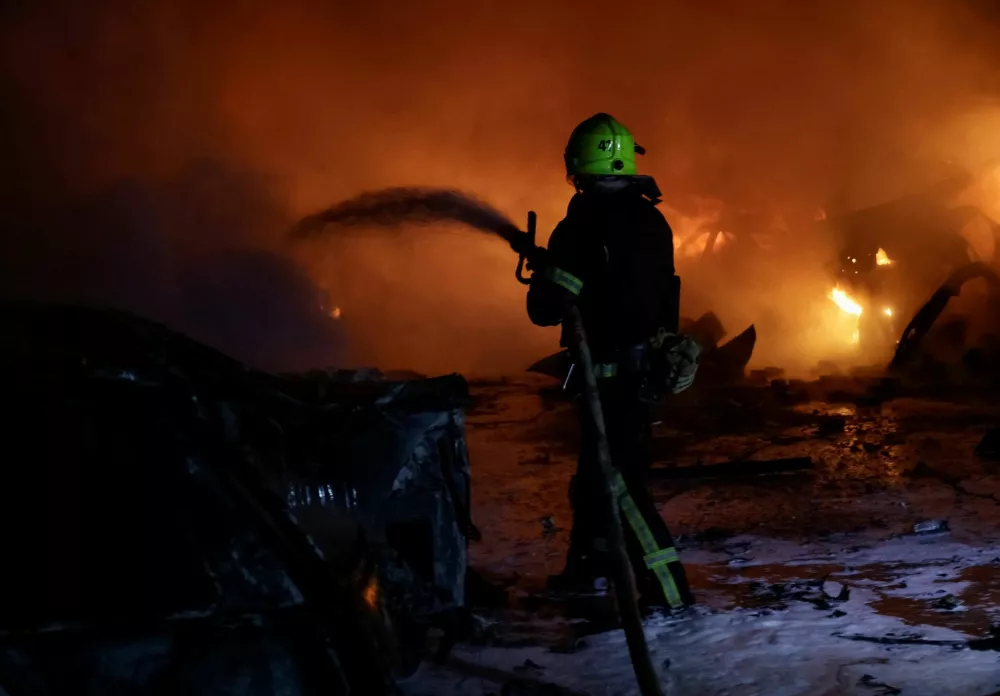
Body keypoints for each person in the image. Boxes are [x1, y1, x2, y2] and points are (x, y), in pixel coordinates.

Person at [525, 113, 696, 611]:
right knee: (593, 481)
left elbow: (545, 309)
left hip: (610, 377)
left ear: (578, 165)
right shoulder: (651, 220)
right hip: (643, 373)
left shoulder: (581, 224)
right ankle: (590, 569)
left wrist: (547, 272)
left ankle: (669, 592)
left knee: (619, 485)